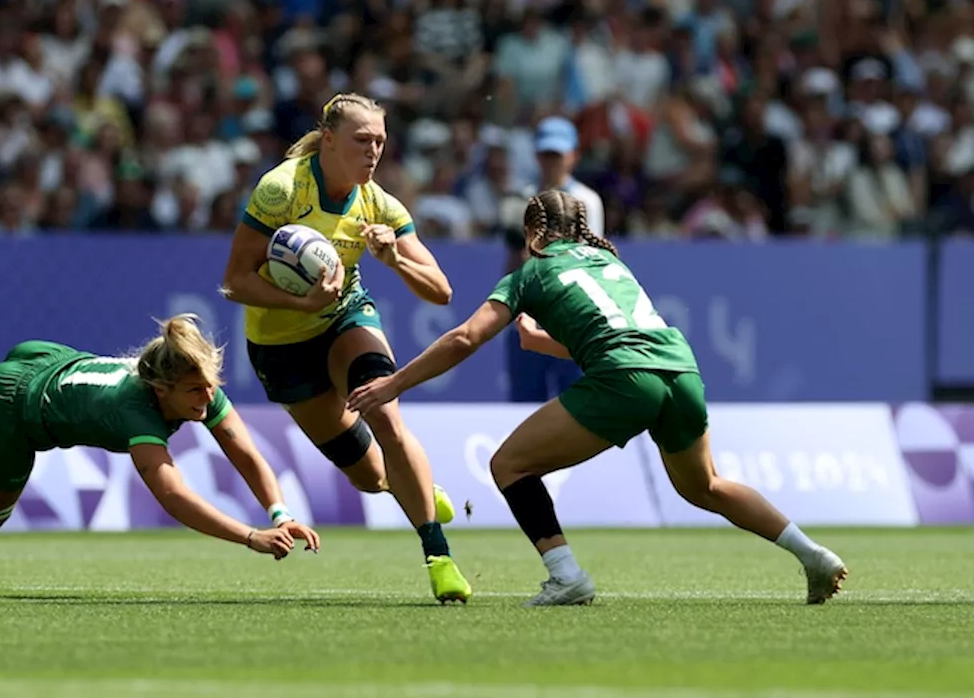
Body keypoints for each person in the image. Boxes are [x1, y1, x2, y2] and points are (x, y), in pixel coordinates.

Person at [348, 189, 848, 607]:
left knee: (509, 466)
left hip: (625, 379)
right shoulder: (609, 260)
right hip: (680, 369)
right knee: (706, 486)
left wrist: (394, 384)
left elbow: (465, 338)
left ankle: (566, 576)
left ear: (532, 233)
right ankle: (813, 555)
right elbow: (612, 332)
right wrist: (544, 341)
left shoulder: (529, 273)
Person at [0, 314, 321, 596]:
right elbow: (173, 494)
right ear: (162, 390)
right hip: (16, 410)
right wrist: (249, 536)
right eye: (196, 394)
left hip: (41, 360)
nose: (207, 402)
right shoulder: (137, 414)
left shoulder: (188, 380)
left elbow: (239, 445)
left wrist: (279, 512)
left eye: (210, 389)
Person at [220, 92, 471, 603]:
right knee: (371, 476)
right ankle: (416, 488)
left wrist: (393, 258)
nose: (373, 151)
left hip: (345, 319)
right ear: (329, 140)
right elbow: (234, 281)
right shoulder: (280, 190)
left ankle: (438, 555)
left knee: (387, 419)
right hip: (281, 347)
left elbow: (441, 291)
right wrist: (303, 302)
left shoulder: (380, 203)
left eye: (380, 140)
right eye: (362, 140)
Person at [504, 117, 605, 404]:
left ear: (573, 156)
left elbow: (585, 258)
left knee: (574, 400)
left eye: (557, 155)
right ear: (537, 156)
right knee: (524, 399)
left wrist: (537, 255)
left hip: (570, 316)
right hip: (529, 313)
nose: (551, 162)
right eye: (546, 154)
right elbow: (512, 261)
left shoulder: (587, 201)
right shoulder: (520, 198)